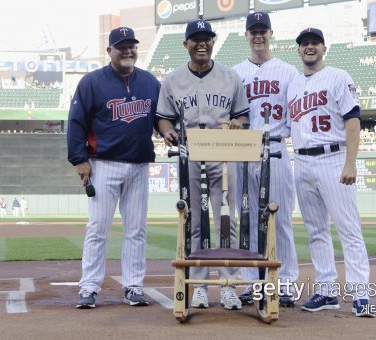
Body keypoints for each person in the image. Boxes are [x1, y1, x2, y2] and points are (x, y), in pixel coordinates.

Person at [156, 19, 249, 311]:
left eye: (206, 38)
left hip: (223, 149)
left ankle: (229, 287)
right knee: (194, 220)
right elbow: (163, 117)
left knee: (226, 220)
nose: (201, 43)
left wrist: (238, 123)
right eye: (195, 39)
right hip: (190, 149)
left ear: (213, 42)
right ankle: (197, 288)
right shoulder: (172, 80)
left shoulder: (230, 77)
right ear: (186, 44)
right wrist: (166, 131)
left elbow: (243, 116)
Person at [67, 27, 161, 309]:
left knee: (137, 229)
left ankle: (133, 286)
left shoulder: (150, 82)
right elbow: (76, 122)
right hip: (103, 164)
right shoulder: (92, 82)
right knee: (97, 228)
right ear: (110, 51)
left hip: (139, 165)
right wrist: (78, 158)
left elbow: (163, 119)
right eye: (121, 46)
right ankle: (89, 287)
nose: (128, 51)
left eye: (132, 45)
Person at [287, 28, 374, 317]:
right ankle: (326, 291)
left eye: (315, 43)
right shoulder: (293, 84)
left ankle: (361, 293)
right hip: (301, 160)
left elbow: (352, 121)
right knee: (316, 231)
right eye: (305, 44)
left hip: (333, 157)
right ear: (298, 50)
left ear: (324, 48)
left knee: (348, 228)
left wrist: (350, 162)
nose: (309, 47)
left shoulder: (339, 76)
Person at [231, 12, 298, 307]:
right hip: (242, 150)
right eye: (253, 31)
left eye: (262, 30)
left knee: (280, 219)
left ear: (271, 33)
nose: (258, 35)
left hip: (275, 146)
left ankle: (285, 283)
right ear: (246, 35)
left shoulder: (288, 71)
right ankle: (250, 283)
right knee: (246, 219)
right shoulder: (234, 73)